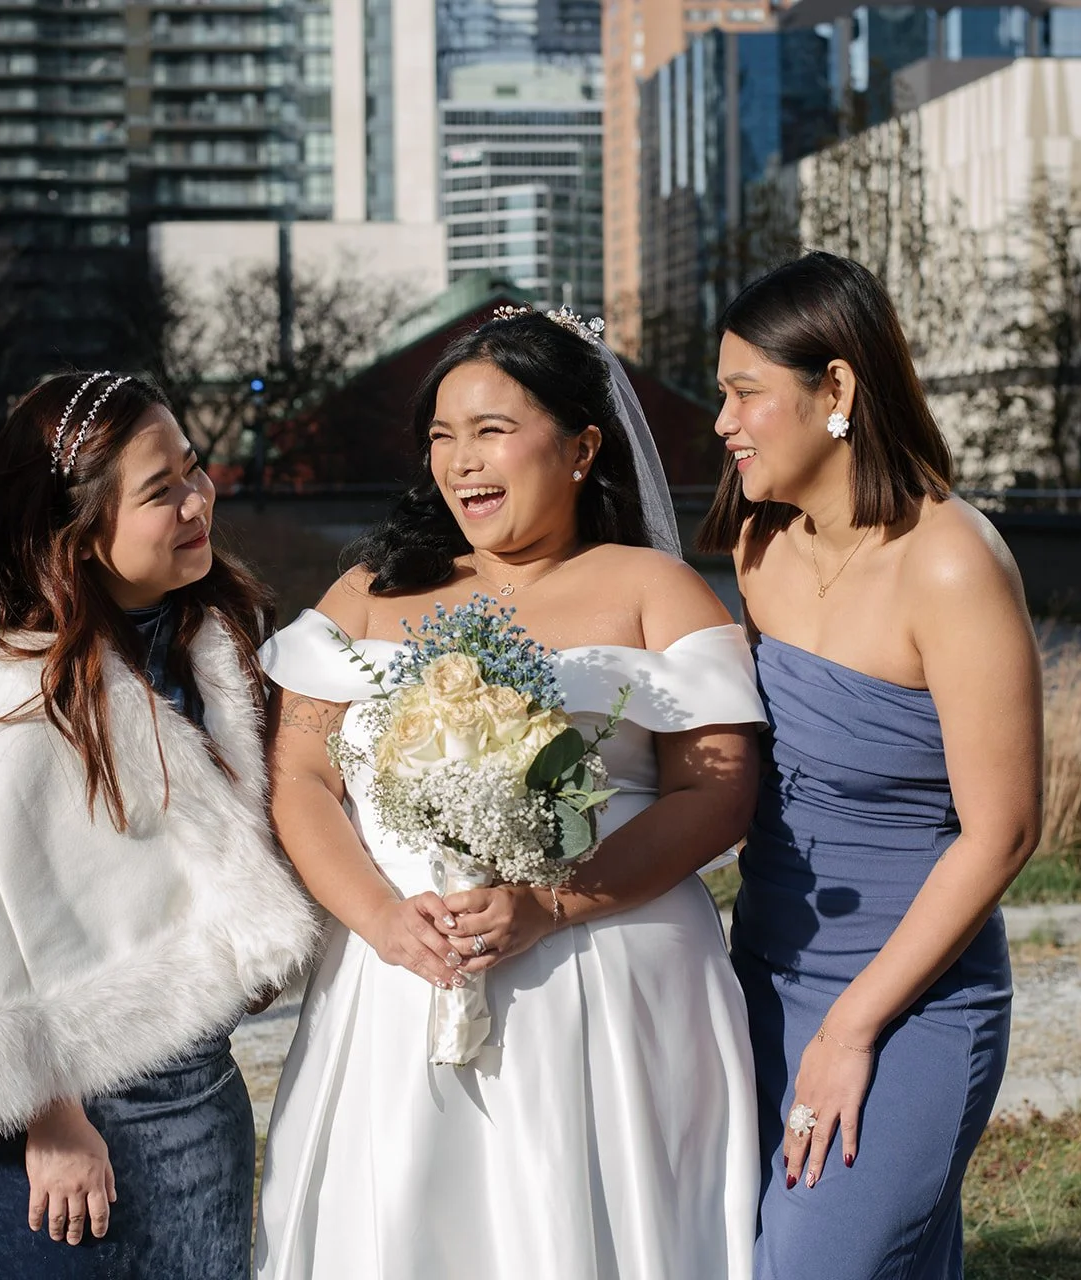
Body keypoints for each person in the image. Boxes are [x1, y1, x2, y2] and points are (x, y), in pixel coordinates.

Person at [255, 304, 766, 1278]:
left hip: (601, 969)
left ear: (580, 446)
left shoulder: (652, 586)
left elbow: (716, 793)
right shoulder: (367, 589)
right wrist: (379, 917)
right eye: (443, 436)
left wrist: (549, 902)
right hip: (395, 974)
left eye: (491, 430)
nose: (461, 461)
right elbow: (302, 775)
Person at [0, 371, 319, 1280]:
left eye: (193, 471)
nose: (199, 500)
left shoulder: (210, 643)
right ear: (78, 535)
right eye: (162, 492)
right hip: (66, 1124)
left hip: (202, 1093)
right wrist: (50, 1115)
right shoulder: (7, 700)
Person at [701, 252, 1043, 1279]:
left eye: (745, 393)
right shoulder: (757, 548)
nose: (722, 420)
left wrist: (852, 1026)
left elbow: (1005, 831)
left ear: (836, 388)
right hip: (761, 978)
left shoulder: (951, 561)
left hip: (909, 1003)